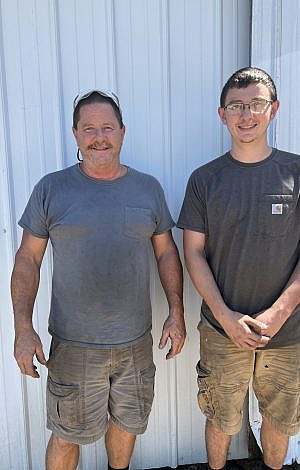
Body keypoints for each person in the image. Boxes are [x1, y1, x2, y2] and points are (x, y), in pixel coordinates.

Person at [11, 89, 186, 470]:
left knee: (127, 425)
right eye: (89, 129)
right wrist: (23, 329)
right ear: (75, 134)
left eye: (107, 127)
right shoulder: (51, 189)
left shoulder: (147, 189)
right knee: (66, 434)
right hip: (74, 346)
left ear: (122, 132)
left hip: (135, 343)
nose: (99, 137)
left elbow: (166, 252)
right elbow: (27, 259)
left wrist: (176, 312)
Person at [177, 67, 300, 470]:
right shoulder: (205, 180)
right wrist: (226, 316)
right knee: (221, 417)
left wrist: (279, 313)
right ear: (222, 114)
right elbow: (193, 252)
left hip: (288, 332)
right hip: (221, 330)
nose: (246, 115)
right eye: (236, 106)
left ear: (274, 109)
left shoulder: (296, 173)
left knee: (279, 421)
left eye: (256, 104)